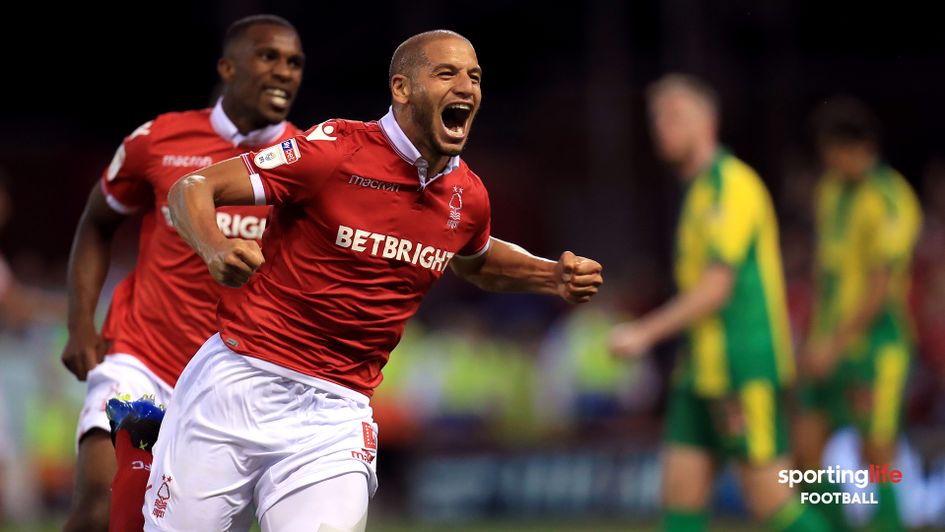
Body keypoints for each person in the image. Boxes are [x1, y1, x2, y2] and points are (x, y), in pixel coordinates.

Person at [145, 29, 603, 531]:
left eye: (474, 76)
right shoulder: (334, 151)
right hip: (239, 382)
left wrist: (549, 275)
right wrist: (214, 247)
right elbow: (193, 188)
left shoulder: (468, 197)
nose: (467, 87)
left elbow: (474, 261)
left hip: (336, 413)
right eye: (446, 73)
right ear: (402, 89)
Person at [60, 14, 306, 531]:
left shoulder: (307, 164)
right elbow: (96, 222)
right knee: (107, 507)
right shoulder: (159, 141)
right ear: (228, 67)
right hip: (143, 365)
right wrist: (81, 322)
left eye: (294, 63)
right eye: (268, 57)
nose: (284, 71)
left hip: (234, 385)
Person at [609, 74, 827, 531]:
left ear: (707, 121)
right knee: (680, 493)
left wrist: (643, 332)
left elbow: (716, 288)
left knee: (769, 496)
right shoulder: (699, 192)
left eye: (674, 116)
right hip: (700, 369)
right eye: (656, 117)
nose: (661, 127)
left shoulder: (732, 186)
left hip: (742, 365)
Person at [794, 97, 921, 531]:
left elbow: (880, 287)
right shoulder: (829, 191)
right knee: (806, 452)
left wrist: (835, 343)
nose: (833, 161)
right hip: (827, 339)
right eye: (826, 153)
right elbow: (823, 272)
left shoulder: (889, 199)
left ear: (864, 147)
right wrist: (814, 336)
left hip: (876, 343)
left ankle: (890, 523)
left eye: (839, 152)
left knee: (877, 457)